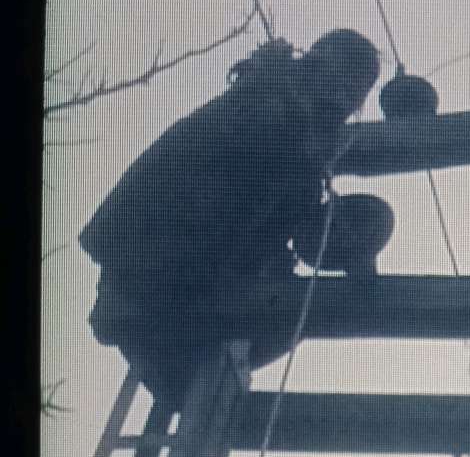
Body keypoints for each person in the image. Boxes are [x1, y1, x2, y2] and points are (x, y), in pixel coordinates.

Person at [80, 28, 381, 399]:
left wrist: (351, 245)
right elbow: (263, 157)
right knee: (286, 308)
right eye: (345, 85)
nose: (343, 101)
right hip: (157, 266)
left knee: (290, 309)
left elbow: (283, 212)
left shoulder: (285, 116)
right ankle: (204, 367)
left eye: (352, 93)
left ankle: (205, 374)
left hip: (175, 278)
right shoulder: (268, 101)